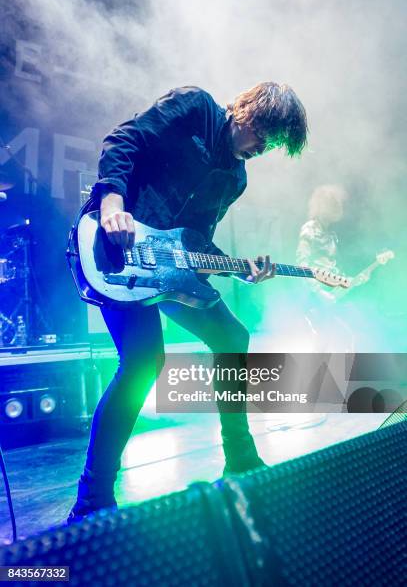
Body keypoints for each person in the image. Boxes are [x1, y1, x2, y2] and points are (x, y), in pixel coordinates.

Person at [68, 82, 308, 521]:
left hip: (170, 270)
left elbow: (198, 243)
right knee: (143, 362)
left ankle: (239, 456)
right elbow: (125, 139)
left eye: (272, 143)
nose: (263, 146)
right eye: (263, 132)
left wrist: (240, 268)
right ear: (247, 111)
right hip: (117, 252)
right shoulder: (195, 108)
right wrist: (112, 202)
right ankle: (92, 498)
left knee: (233, 335)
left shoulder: (236, 178)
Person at [296, 184, 354, 351]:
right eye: (333, 204)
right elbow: (302, 264)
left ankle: (334, 375)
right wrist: (318, 292)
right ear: (322, 206)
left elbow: (332, 267)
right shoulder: (309, 229)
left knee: (339, 339)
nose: (338, 208)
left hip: (328, 293)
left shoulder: (332, 235)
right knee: (324, 341)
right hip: (315, 296)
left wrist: (348, 279)